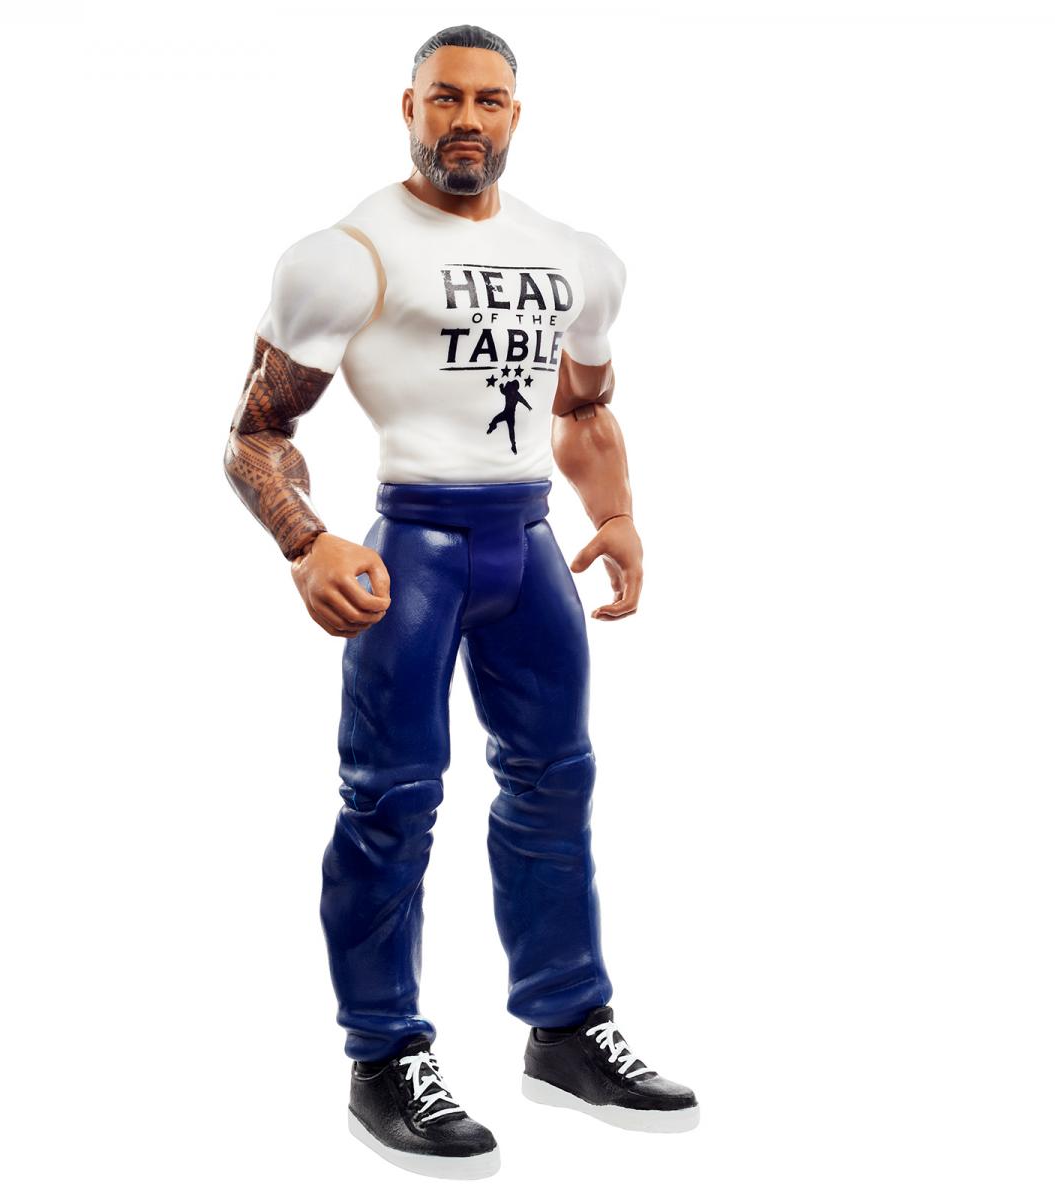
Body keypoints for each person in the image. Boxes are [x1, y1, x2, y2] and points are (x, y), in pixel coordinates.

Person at [224, 24, 699, 1180]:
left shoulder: (574, 257)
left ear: (516, 115)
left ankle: (566, 1026)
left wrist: (616, 514)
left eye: (488, 101)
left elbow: (583, 409)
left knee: (555, 784)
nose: (467, 120)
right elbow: (256, 433)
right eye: (445, 99)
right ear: (410, 108)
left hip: (527, 543)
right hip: (416, 550)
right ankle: (384, 1056)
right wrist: (306, 541)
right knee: (390, 801)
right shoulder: (349, 255)